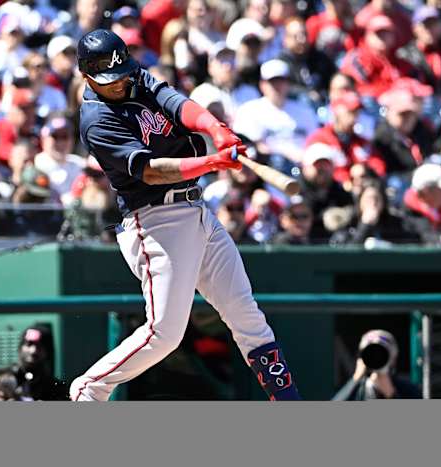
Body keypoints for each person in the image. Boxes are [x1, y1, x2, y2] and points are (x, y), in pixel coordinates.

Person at [70, 29, 300, 401]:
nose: (120, 81)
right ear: (87, 76)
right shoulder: (96, 119)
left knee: (246, 314)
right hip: (155, 220)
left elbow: (175, 102)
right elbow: (150, 170)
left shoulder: (132, 75)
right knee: (164, 333)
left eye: (123, 72)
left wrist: (216, 128)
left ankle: (290, 403)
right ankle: (90, 388)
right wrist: (211, 162)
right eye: (109, 79)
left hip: (196, 210)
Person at [0, 324, 69, 400]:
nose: (33, 351)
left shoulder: (55, 388)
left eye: (40, 346)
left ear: (48, 352)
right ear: (20, 348)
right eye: (29, 344)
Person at [332, 329, 421, 400]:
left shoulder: (407, 389)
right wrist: (356, 379)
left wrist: (391, 394)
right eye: (370, 354)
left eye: (382, 354)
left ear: (393, 359)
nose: (376, 359)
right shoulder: (356, 388)